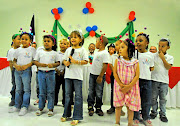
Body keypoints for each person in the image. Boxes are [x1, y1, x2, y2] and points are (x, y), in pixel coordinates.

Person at [61, 30, 88, 125]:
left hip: (77, 76)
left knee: (78, 96)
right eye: (71, 37)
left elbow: (86, 61)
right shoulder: (68, 49)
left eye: (75, 37)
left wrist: (75, 61)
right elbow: (63, 60)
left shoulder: (83, 50)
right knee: (67, 95)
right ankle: (66, 114)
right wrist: (66, 62)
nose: (73, 39)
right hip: (68, 76)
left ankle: (77, 116)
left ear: (80, 39)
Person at [113, 39, 140, 126]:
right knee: (118, 106)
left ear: (130, 49)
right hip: (119, 87)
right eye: (120, 47)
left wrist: (129, 86)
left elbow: (137, 75)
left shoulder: (135, 62)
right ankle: (117, 122)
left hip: (132, 87)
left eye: (123, 47)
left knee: (130, 107)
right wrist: (121, 84)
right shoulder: (118, 60)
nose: (120, 49)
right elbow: (115, 73)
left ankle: (130, 123)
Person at [9, 32, 36, 116]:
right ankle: (17, 105)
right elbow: (14, 60)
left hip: (26, 71)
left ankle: (25, 106)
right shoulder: (18, 50)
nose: (23, 41)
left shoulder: (32, 50)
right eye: (22, 39)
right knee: (18, 89)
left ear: (30, 41)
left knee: (26, 89)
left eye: (26, 39)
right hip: (17, 71)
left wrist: (27, 66)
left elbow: (34, 61)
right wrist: (16, 66)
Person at [34, 35, 60, 117]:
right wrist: (40, 64)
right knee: (42, 91)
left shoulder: (55, 53)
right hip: (41, 73)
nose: (46, 43)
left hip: (51, 73)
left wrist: (53, 65)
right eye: (45, 41)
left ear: (53, 44)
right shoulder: (39, 52)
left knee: (51, 91)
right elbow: (35, 61)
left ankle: (50, 108)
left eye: (48, 41)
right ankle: (40, 107)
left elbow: (58, 62)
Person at [150, 38, 174, 122]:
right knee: (153, 98)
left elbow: (168, 67)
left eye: (163, 46)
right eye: (159, 45)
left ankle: (163, 114)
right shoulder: (153, 55)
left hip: (164, 81)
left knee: (163, 98)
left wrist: (163, 58)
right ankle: (153, 112)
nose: (160, 48)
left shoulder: (170, 57)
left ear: (168, 47)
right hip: (154, 79)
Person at [134, 33, 154, 126]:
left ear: (147, 43)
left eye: (140, 41)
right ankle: (135, 117)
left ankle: (145, 117)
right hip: (136, 80)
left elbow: (151, 68)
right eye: (136, 41)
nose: (138, 42)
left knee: (146, 100)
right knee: (135, 100)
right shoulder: (134, 54)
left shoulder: (150, 55)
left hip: (147, 80)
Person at [87, 35, 110, 117]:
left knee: (99, 92)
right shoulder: (97, 52)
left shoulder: (105, 53)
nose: (95, 44)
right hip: (92, 75)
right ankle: (90, 107)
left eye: (96, 42)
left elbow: (105, 65)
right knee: (91, 91)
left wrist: (100, 76)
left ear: (101, 43)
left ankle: (98, 107)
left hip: (99, 76)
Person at [7, 34, 21, 106]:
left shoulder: (22, 49)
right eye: (18, 39)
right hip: (15, 70)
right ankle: (13, 99)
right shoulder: (10, 51)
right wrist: (12, 71)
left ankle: (21, 100)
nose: (20, 41)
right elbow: (10, 62)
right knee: (14, 84)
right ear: (13, 40)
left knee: (22, 86)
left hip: (22, 70)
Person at [54, 38, 68, 106]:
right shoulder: (56, 53)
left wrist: (64, 71)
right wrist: (57, 70)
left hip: (65, 74)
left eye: (65, 44)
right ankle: (54, 101)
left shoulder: (68, 54)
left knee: (65, 89)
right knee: (56, 88)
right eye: (61, 43)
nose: (62, 45)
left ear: (68, 45)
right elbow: (53, 62)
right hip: (57, 73)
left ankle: (64, 102)